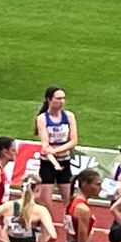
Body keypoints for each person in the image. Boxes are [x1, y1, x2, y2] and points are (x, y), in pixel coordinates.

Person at [34, 86, 78, 217]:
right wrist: (54, 162)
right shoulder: (42, 118)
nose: (61, 101)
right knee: (46, 202)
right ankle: (48, 224)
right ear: (49, 99)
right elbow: (45, 146)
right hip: (47, 162)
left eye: (63, 98)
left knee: (68, 200)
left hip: (64, 160)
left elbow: (73, 141)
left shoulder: (69, 116)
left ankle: (69, 223)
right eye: (58, 99)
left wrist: (56, 150)